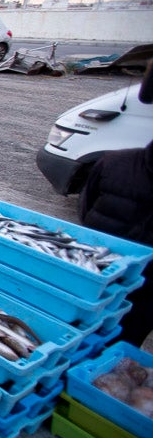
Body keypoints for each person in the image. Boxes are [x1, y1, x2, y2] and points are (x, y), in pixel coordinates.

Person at [78, 138, 153, 347]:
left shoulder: (113, 161)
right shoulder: (114, 163)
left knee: (120, 337)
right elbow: (86, 211)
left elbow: (85, 212)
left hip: (135, 289)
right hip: (96, 271)